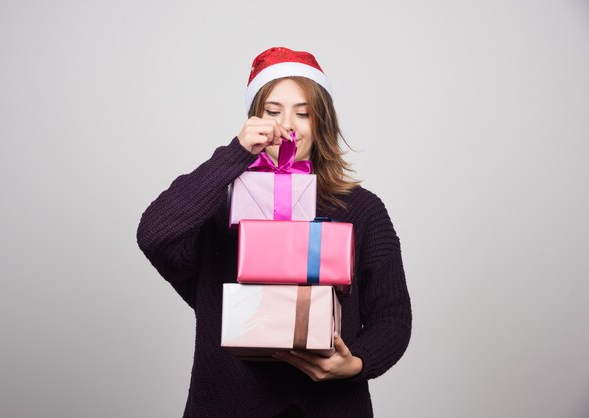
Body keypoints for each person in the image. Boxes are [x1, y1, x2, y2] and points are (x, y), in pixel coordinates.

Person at [136, 47, 412, 418]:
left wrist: (357, 363)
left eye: (303, 113)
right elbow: (155, 233)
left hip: (331, 405)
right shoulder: (217, 208)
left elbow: (392, 315)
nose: (288, 126)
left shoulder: (361, 209)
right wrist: (235, 156)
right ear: (254, 120)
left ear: (321, 123)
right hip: (226, 403)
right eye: (272, 112)